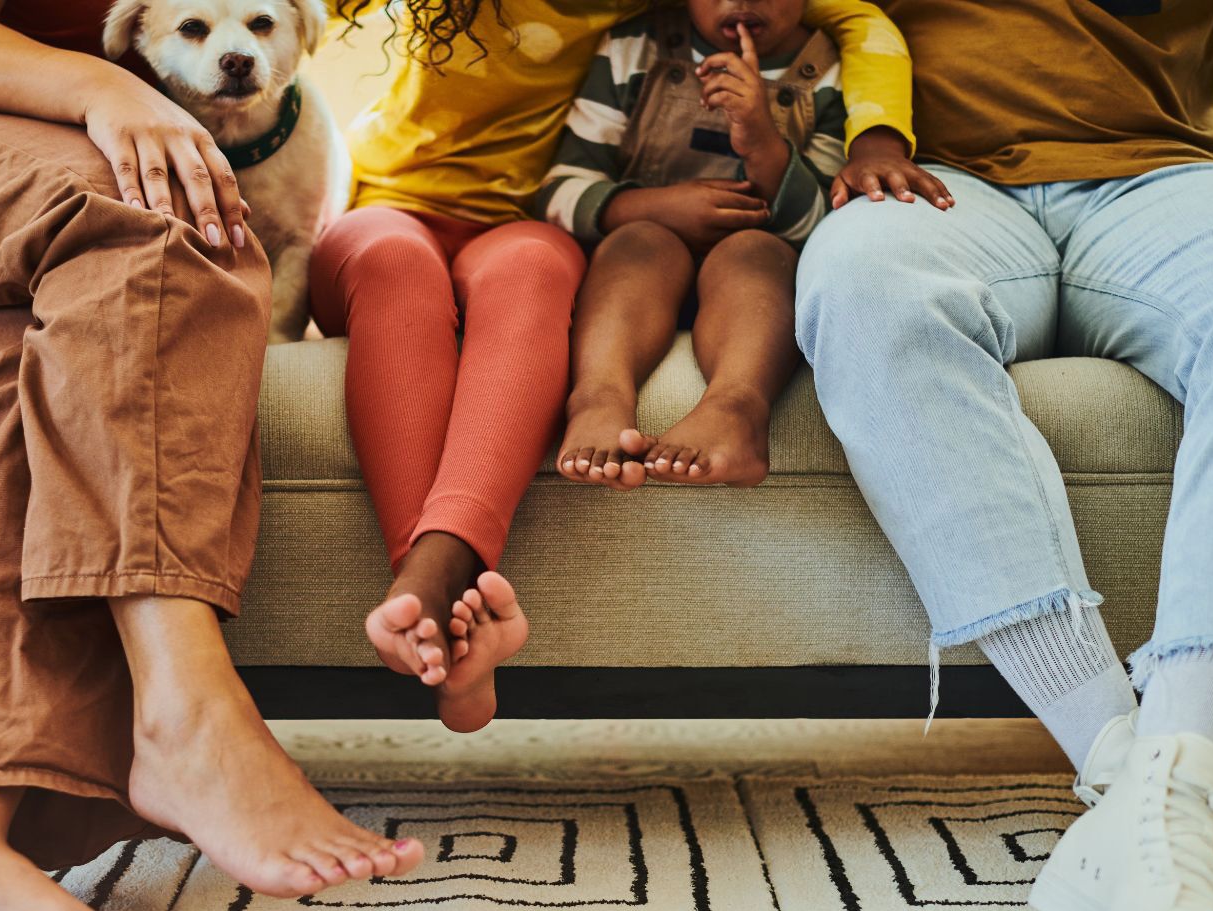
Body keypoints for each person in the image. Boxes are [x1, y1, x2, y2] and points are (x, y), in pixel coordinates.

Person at [0, 0, 423, 911]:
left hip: (1, 233)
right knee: (172, 208)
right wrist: (108, 88)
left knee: (22, 377)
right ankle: (190, 718)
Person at [795, 0, 1213, 911]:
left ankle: (1182, 769)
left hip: (1160, 180)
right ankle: (1123, 763)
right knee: (860, 280)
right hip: (942, 181)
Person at [313, 0, 929, 728]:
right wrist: (649, 205)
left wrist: (785, 137)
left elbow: (852, 63)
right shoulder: (635, 41)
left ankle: (433, 606)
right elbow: (572, 188)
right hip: (412, 208)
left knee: (554, 270)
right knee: (410, 260)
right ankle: (435, 584)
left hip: (569, 235)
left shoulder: (792, 49)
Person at [543, 0, 950, 491]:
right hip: (640, 277)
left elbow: (824, 220)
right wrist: (649, 207)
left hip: (756, 288)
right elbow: (559, 188)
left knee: (753, 250)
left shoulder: (829, 69)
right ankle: (598, 398)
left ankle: (736, 408)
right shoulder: (632, 48)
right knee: (639, 240)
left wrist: (761, 137)